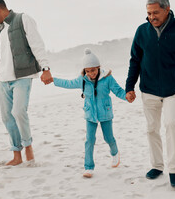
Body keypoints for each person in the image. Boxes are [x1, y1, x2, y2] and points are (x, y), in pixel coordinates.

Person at [125, 0, 175, 188]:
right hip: (148, 90)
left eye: (155, 12)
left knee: (172, 124)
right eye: (149, 13)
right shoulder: (142, 31)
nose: (151, 17)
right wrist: (129, 87)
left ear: (167, 9)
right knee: (151, 129)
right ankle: (157, 166)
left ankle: (174, 170)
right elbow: (135, 60)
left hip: (173, 90)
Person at [0, 0, 53, 166]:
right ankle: (17, 153)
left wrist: (45, 68)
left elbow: (37, 44)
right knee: (7, 117)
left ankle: (28, 146)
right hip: (3, 80)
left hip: (22, 77)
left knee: (18, 112)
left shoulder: (23, 19)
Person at [52, 48, 128, 178]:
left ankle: (115, 153)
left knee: (108, 138)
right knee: (89, 140)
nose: (91, 73)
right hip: (90, 114)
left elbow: (118, 91)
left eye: (93, 70)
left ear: (98, 67)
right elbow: (68, 83)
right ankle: (89, 167)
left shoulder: (108, 78)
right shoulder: (82, 80)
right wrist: (52, 80)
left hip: (105, 112)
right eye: (88, 71)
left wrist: (127, 96)